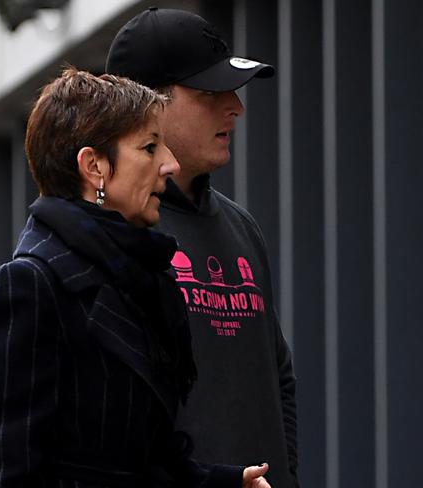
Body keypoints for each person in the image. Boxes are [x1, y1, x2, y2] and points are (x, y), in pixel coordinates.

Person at [0, 68, 271, 488]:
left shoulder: (141, 278)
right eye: (149, 147)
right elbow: (5, 474)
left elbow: (148, 460)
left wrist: (228, 482)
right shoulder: (27, 289)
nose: (170, 163)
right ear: (94, 167)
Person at [106, 8, 298, 487]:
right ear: (148, 107)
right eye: (209, 93)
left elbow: (279, 380)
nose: (235, 106)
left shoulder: (241, 227)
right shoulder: (109, 235)